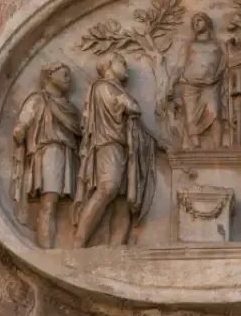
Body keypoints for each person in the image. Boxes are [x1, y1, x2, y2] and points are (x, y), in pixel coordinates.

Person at [73, 53, 155, 248]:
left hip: (126, 148)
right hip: (108, 144)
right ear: (110, 64)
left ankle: (117, 248)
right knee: (108, 188)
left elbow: (134, 115)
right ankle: (79, 241)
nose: (126, 67)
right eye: (122, 62)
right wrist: (128, 104)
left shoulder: (116, 88)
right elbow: (127, 106)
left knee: (123, 201)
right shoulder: (103, 86)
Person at [12, 63, 81, 248]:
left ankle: (59, 246)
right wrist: (20, 130)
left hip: (67, 154)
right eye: (64, 74)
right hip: (48, 151)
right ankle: (46, 248)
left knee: (63, 204)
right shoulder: (37, 99)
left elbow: (79, 130)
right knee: (49, 201)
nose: (69, 78)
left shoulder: (69, 107)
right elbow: (22, 123)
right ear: (50, 75)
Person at [167, 13, 226, 150]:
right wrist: (171, 84)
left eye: (199, 20)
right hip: (189, 84)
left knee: (215, 113)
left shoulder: (218, 44)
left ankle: (218, 145)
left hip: (211, 84)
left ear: (207, 22)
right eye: (194, 21)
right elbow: (180, 66)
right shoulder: (189, 45)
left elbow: (227, 61)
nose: (196, 23)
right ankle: (195, 145)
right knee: (190, 114)